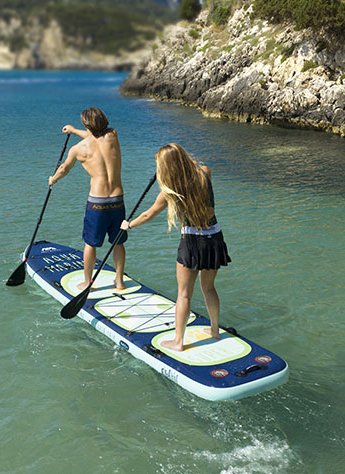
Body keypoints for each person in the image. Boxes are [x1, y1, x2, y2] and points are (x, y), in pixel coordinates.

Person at [120, 143, 231, 352]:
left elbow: (148, 214)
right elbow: (194, 171)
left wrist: (129, 225)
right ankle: (215, 330)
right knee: (209, 288)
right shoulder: (205, 172)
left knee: (184, 294)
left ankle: (178, 342)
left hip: (192, 241)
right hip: (214, 237)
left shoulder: (170, 191)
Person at [49, 107, 127, 291]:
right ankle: (119, 282)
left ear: (86, 124)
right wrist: (74, 130)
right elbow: (95, 136)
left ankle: (87, 283)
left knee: (90, 244)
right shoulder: (112, 135)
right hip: (117, 199)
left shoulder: (78, 149)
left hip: (97, 203)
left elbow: (64, 169)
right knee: (118, 242)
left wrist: (53, 179)